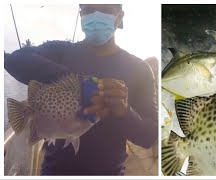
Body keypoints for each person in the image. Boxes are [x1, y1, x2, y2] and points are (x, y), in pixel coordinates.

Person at [4, 4, 158, 176]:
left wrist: (124, 112)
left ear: (120, 17)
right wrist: (75, 81)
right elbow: (13, 59)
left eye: (105, 10)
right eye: (88, 9)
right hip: (55, 172)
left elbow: (149, 136)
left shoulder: (139, 69)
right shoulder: (61, 51)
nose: (96, 15)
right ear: (81, 14)